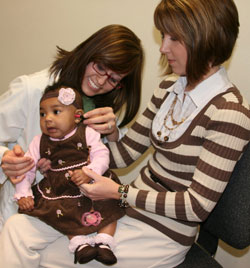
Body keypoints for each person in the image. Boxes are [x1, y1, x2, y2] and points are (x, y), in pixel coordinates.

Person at [1, 0, 250, 267]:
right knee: (17, 229)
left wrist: (119, 192)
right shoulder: (168, 88)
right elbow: (122, 156)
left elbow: (196, 206)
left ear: (204, 39)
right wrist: (100, 136)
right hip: (125, 208)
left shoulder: (230, 114)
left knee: (44, 258)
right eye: (163, 36)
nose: (163, 48)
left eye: (173, 38)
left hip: (164, 230)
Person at [0, 24, 144, 231]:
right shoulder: (31, 88)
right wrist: (5, 158)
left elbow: (108, 156)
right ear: (87, 54)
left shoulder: (104, 107)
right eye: (100, 67)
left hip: (74, 212)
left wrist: (113, 134)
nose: (100, 81)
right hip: (26, 208)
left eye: (113, 79)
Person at [14, 83, 125, 265]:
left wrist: (89, 172)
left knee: (110, 205)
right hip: (59, 189)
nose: (48, 119)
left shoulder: (88, 133)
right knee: (60, 212)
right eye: (42, 114)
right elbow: (26, 168)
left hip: (91, 183)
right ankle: (79, 243)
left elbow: (102, 154)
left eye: (56, 112)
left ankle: (104, 242)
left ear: (77, 116)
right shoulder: (38, 142)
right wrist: (23, 193)